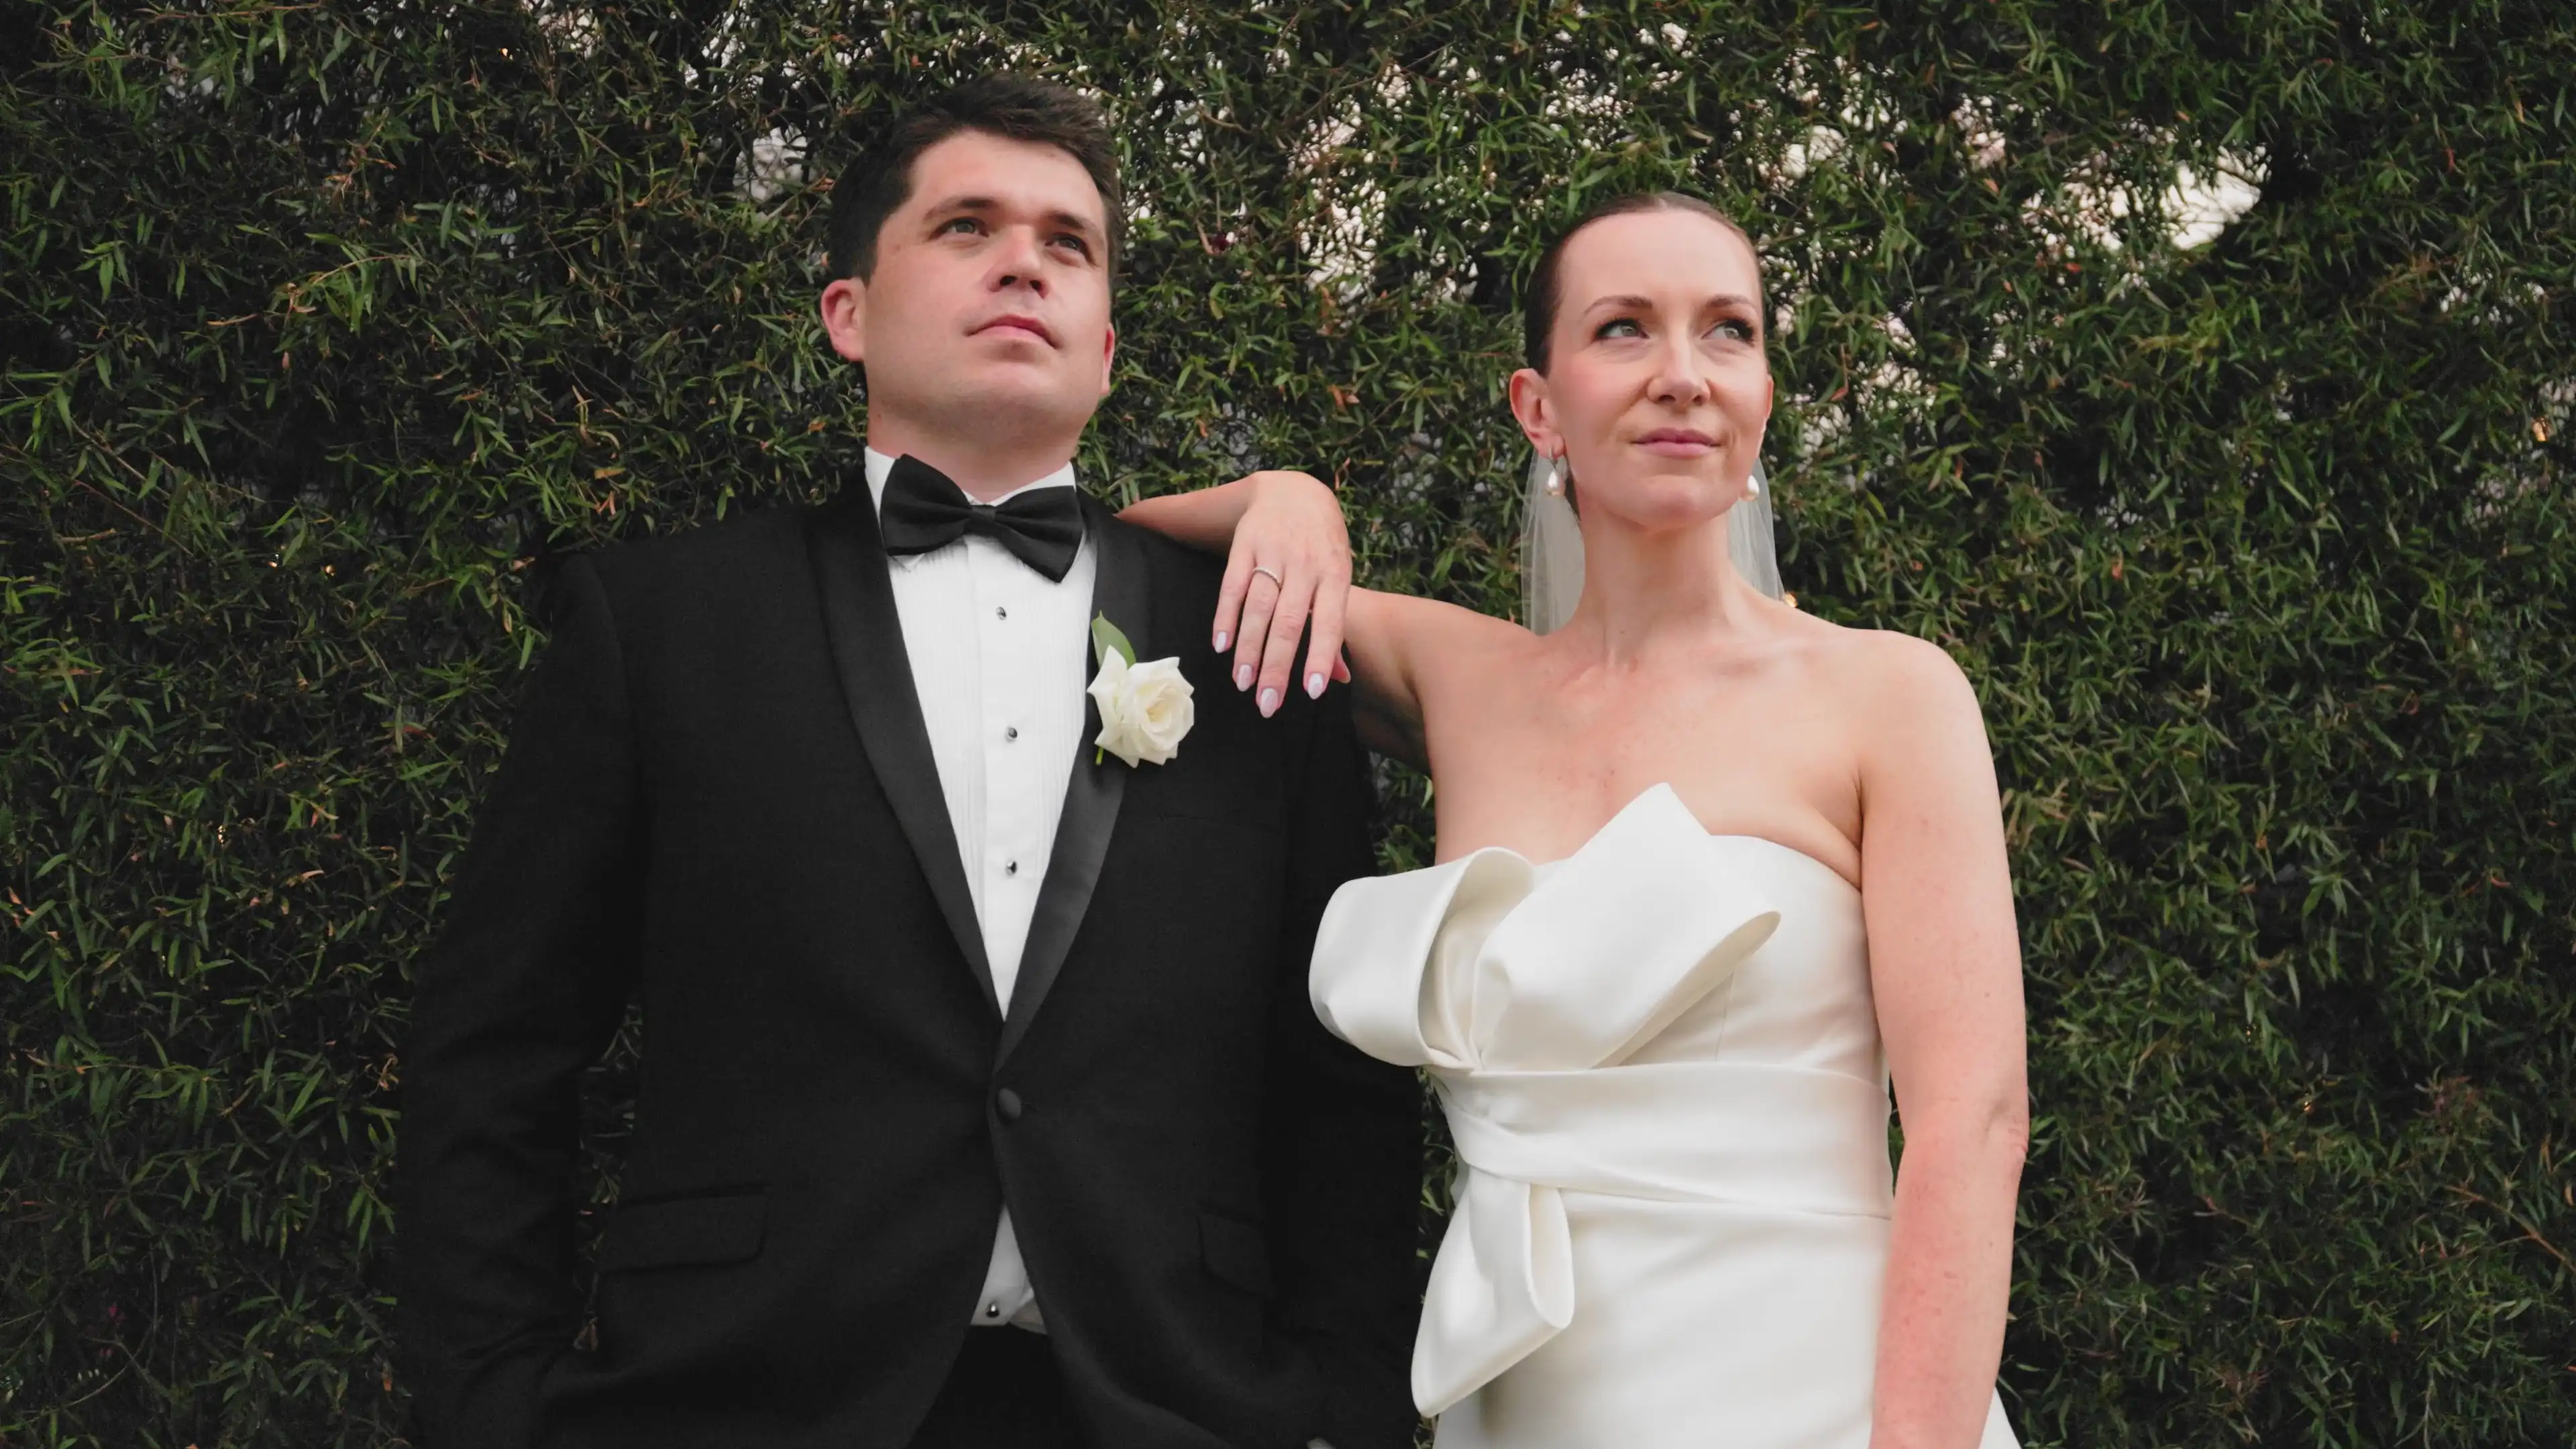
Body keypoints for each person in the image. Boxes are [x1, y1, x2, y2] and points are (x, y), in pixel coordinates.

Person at [396, 74, 1424, 1449]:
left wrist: (1339, 1408)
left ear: (1106, 345)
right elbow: (498, 1049)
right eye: (965, 228)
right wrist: (496, 1411)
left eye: (1068, 242)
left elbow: (1338, 1082)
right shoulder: (660, 626)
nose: (1023, 262)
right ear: (848, 315)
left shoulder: (1250, 635)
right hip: (736, 1401)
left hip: (1168, 1405)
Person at [1122, 191, 2029, 1447]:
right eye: (1623, 330)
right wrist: (1289, 498)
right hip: (1533, 1405)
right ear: (1537, 407)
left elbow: (1970, 1126)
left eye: (1728, 332)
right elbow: (1124, 561)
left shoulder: (1890, 695)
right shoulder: (1461, 681)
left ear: (1765, 390)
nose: (1683, 375)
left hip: (1821, 1393)